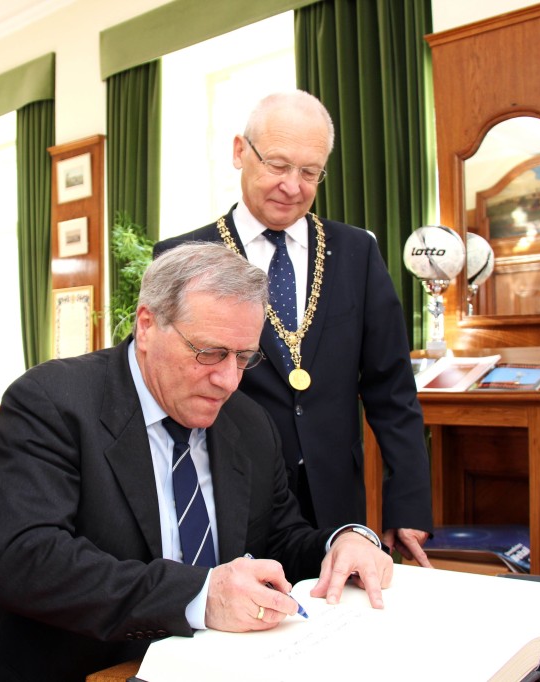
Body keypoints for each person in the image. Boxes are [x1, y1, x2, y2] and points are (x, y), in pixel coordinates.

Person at [0, 243, 394, 682]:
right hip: (81, 667)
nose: (228, 381)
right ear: (147, 325)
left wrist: (340, 544)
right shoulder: (52, 402)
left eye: (244, 357)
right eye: (209, 353)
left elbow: (278, 539)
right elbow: (28, 562)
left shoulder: (247, 421)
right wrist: (201, 596)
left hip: (217, 666)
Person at [154, 90, 433, 564]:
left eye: (309, 172)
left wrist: (408, 503)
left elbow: (392, 388)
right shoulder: (184, 256)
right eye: (278, 166)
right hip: (233, 492)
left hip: (336, 500)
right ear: (240, 152)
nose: (292, 186)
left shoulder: (356, 253)